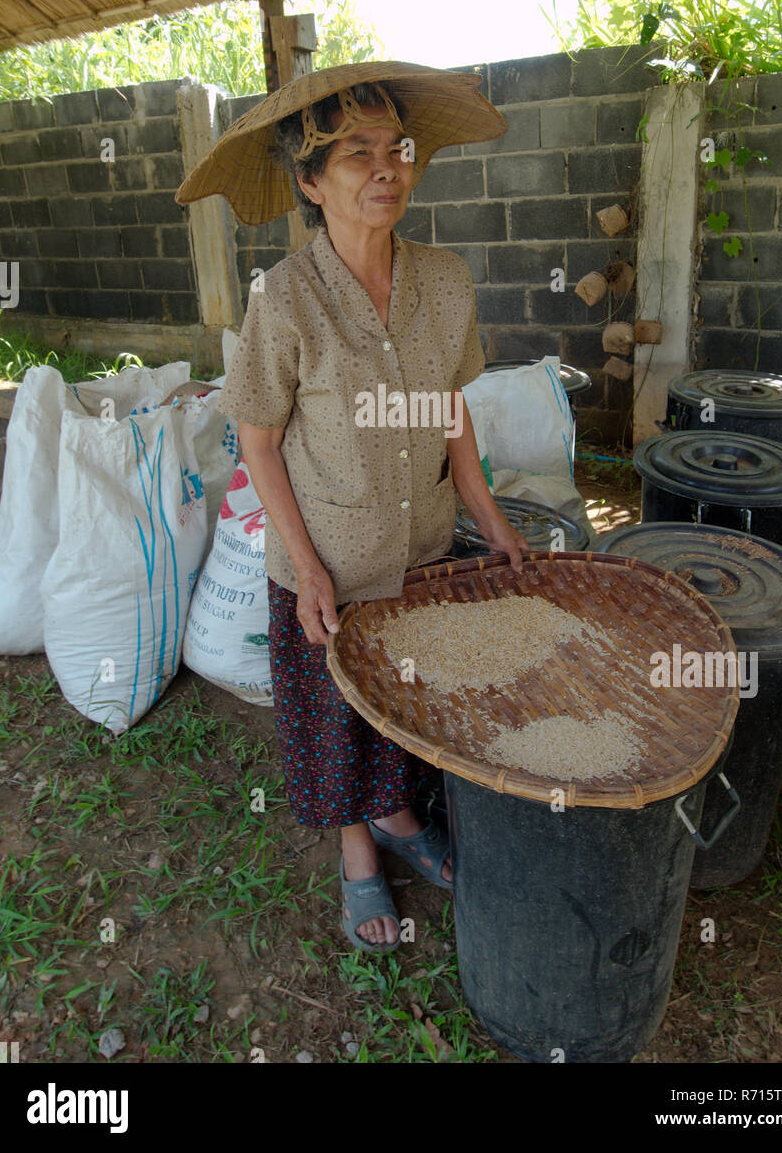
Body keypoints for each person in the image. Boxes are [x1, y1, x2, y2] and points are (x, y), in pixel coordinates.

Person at [179, 64, 530, 952]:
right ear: (309, 181)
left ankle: (401, 817)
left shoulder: (444, 281)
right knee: (336, 713)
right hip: (325, 553)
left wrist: (487, 519)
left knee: (411, 697)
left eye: (395, 150)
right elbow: (257, 443)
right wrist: (304, 569)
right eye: (355, 155)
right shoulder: (284, 300)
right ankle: (359, 856)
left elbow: (451, 408)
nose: (385, 169)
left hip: (420, 543)